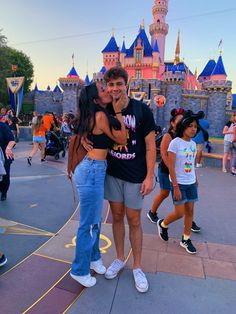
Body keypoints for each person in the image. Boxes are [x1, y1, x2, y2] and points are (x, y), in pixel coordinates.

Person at [102, 67, 156, 293]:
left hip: (135, 175)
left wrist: (150, 176)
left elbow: (152, 145)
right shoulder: (103, 109)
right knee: (116, 217)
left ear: (127, 84)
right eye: (111, 84)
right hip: (113, 172)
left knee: (134, 220)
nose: (115, 88)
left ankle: (138, 267)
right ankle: (119, 258)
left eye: (118, 84)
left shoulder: (141, 110)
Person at [70, 82, 126, 288]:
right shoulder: (101, 116)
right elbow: (122, 137)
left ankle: (94, 258)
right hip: (92, 170)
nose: (108, 91)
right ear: (95, 99)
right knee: (89, 223)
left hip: (93, 169)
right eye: (103, 90)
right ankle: (79, 270)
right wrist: (119, 111)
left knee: (95, 221)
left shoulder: (94, 114)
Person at [157, 110, 204, 254]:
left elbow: (190, 163)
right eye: (190, 126)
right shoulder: (175, 143)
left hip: (190, 183)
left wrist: (195, 179)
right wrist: (175, 186)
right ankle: (163, 224)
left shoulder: (193, 144)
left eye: (195, 126)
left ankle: (186, 238)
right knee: (179, 213)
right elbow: (171, 166)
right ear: (183, 126)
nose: (193, 129)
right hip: (179, 184)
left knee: (190, 211)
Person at [147, 108, 200, 233]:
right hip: (167, 170)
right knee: (164, 193)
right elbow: (164, 155)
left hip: (181, 173)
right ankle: (152, 212)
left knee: (187, 204)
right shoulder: (169, 136)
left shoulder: (188, 140)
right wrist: (174, 170)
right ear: (173, 123)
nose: (183, 122)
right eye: (180, 120)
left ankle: (189, 222)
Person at [0, 121, 15, 201]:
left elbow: (12, 140)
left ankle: (3, 192)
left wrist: (8, 148)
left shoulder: (2, 126)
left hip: (3, 156)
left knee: (5, 176)